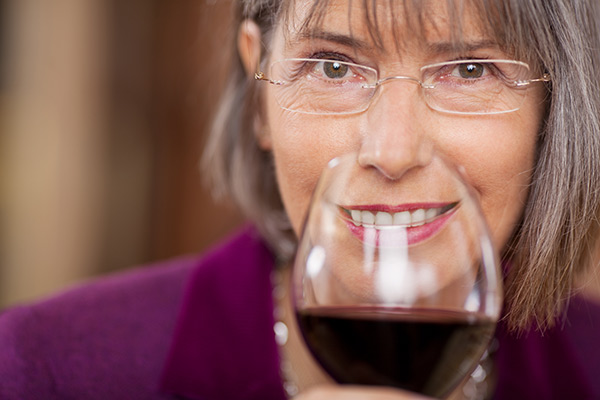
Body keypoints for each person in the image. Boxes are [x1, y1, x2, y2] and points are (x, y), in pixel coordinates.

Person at [1, 0, 599, 399]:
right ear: (260, 93)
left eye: (469, 69)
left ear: (551, 110)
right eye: (334, 67)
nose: (391, 152)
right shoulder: (43, 370)